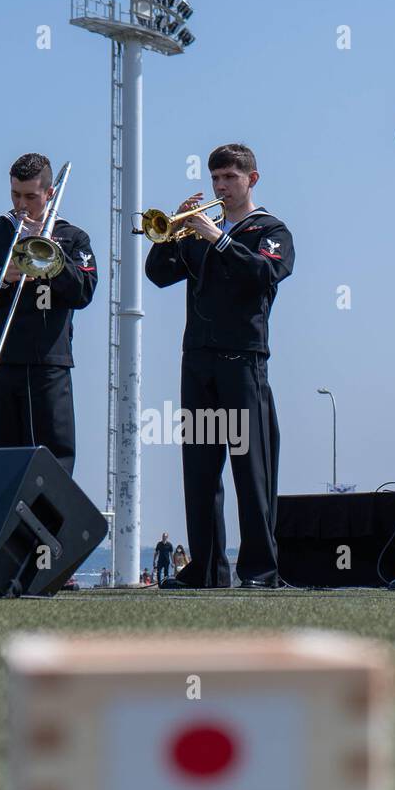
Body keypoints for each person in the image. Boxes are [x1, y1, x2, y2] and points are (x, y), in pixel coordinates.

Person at [144, 144, 295, 590]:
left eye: (230, 178)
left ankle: (260, 571)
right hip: (199, 361)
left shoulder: (271, 229)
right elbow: (158, 274)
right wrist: (173, 228)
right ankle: (207, 570)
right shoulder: (197, 234)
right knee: (200, 470)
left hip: (243, 361)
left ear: (252, 179)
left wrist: (217, 236)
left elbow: (264, 275)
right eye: (216, 179)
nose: (221, 187)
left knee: (252, 469)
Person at [0, 153, 98, 475]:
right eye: (16, 195)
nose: (22, 204)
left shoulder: (73, 237)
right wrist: (1, 278)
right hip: (0, 361)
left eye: (31, 196)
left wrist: (53, 261)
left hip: (50, 362)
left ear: (49, 193)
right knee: (5, 461)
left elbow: (83, 292)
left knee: (54, 461)